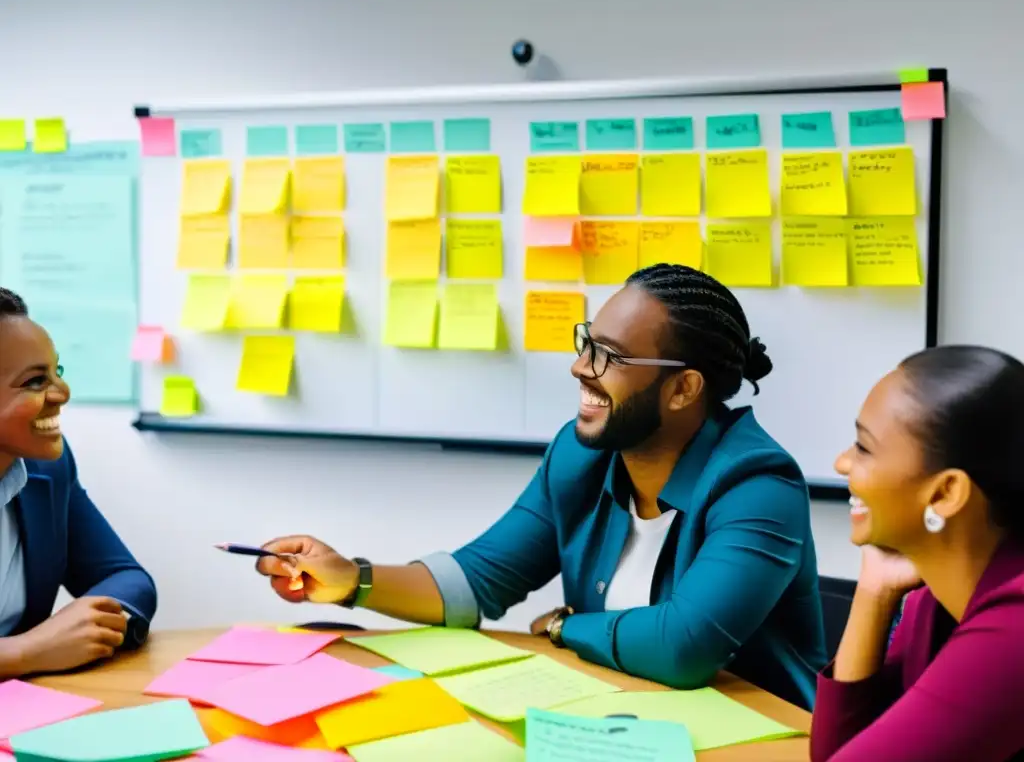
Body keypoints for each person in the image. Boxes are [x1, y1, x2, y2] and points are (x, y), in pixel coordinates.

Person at [258, 264, 827, 709]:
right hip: (628, 727)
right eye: (587, 343)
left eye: (609, 355)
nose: (581, 367)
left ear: (683, 389)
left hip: (763, 741)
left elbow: (682, 647)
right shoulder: (582, 455)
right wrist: (349, 579)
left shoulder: (758, 485)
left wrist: (563, 626)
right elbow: (476, 581)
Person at [810, 346, 1024, 761]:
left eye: (863, 448)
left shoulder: (1016, 625)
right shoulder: (933, 598)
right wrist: (874, 592)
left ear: (945, 493)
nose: (841, 463)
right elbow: (836, 749)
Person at [0, 287, 157, 679]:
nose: (63, 393)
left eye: (58, 372)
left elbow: (125, 577)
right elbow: (34, 649)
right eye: (36, 381)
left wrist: (94, 623)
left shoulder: (46, 467)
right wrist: (25, 652)